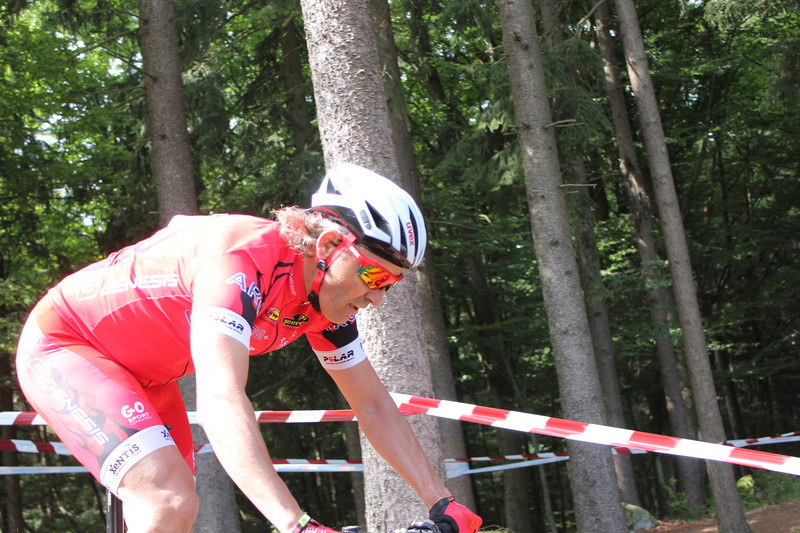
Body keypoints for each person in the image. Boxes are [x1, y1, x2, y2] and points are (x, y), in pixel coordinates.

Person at [16, 162, 482, 533]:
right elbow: (220, 399)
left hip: (149, 378)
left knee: (173, 514)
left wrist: (441, 501)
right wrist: (296, 524)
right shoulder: (241, 265)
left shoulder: (326, 302)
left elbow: (373, 404)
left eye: (390, 283)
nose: (377, 297)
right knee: (167, 498)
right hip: (66, 343)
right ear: (329, 246)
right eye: (373, 274)